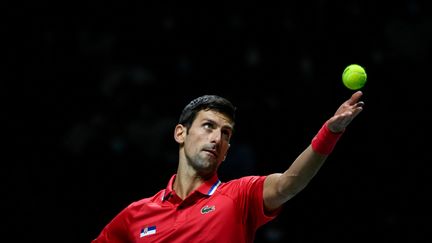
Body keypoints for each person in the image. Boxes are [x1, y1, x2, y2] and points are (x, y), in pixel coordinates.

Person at [92, 91, 365, 243]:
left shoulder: (238, 197)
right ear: (180, 134)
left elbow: (289, 183)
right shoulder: (136, 215)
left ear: (227, 152)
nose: (217, 139)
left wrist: (329, 132)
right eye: (208, 126)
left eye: (226, 134)